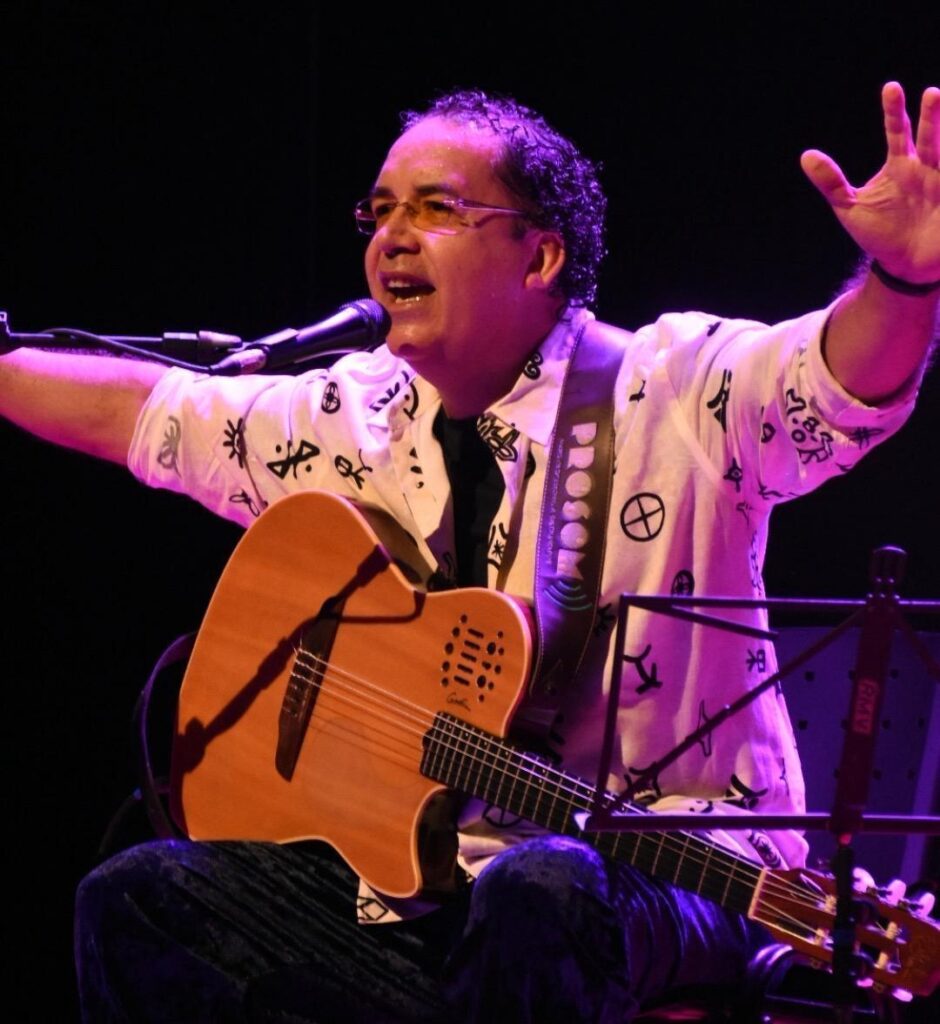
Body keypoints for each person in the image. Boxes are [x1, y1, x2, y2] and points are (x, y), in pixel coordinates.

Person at [2, 83, 938, 1023]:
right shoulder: (349, 414)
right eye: (379, 211)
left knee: (542, 891)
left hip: (679, 877)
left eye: (435, 209)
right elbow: (144, 411)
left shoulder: (675, 391)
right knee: (138, 898)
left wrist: (903, 284)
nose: (391, 237)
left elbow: (832, 382)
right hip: (434, 893)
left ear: (540, 256)